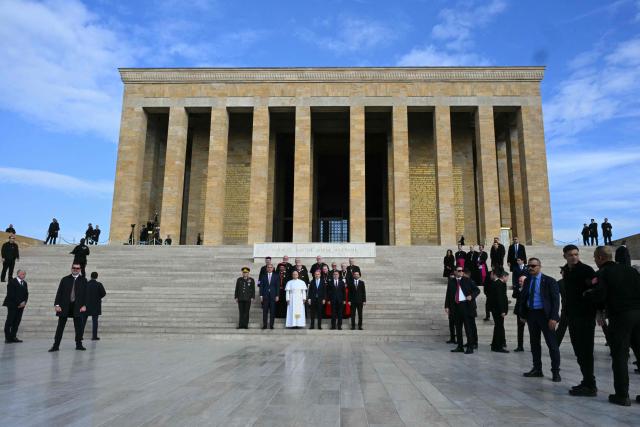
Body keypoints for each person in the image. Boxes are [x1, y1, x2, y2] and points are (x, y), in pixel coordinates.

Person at [586, 246, 640, 406]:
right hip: (639, 313)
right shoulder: (631, 270)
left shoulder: (603, 273)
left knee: (620, 355)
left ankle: (622, 395)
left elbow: (600, 294)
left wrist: (587, 295)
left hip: (621, 316)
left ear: (601, 258)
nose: (595, 261)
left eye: (595, 258)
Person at [560, 245, 598, 396]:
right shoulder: (567, 270)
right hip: (573, 317)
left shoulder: (586, 270)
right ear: (565, 256)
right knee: (579, 351)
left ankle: (591, 385)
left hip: (585, 317)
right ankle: (587, 380)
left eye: (576, 254)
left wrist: (587, 302)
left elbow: (595, 290)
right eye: (570, 255)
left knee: (586, 350)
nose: (574, 257)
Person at [519, 257, 561, 382]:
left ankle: (555, 372)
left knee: (552, 345)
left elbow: (555, 301)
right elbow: (523, 298)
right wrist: (523, 314)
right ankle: (537, 369)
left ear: (539, 266)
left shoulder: (549, 281)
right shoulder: (527, 281)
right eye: (529, 266)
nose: (531, 268)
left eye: (533, 266)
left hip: (545, 316)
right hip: (532, 315)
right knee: (534, 343)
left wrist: (554, 317)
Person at [49, 264, 88, 351]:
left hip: (77, 307)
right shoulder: (65, 279)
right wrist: (57, 305)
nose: (75, 269)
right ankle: (56, 345)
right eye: (74, 268)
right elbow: (59, 292)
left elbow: (86, 294)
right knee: (60, 327)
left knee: (78, 327)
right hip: (64, 306)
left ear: (80, 269)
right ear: (71, 269)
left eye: (77, 268)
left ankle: (79, 344)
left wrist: (85, 305)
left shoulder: (83, 280)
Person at [445, 266, 480, 354]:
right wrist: (447, 306)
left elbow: (477, 290)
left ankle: (470, 347)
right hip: (456, 306)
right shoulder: (451, 281)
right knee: (458, 327)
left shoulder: (467, 280)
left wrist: (471, 296)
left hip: (466, 306)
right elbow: (448, 295)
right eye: (459, 270)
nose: (461, 272)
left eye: (462, 271)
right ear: (455, 272)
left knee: (468, 327)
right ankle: (460, 346)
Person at [3, 269, 27, 343]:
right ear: (18, 274)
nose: (24, 275)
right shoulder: (12, 282)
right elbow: (11, 294)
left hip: (21, 306)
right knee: (10, 321)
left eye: (24, 274)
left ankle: (13, 336)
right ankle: (8, 338)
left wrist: (24, 302)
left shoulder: (24, 283)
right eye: (22, 274)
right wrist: (19, 303)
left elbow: (26, 294)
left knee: (17, 321)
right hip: (12, 305)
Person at [490, 269, 509, 353]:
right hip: (498, 310)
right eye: (507, 277)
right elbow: (500, 298)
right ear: (504, 276)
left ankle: (495, 345)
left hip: (495, 309)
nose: (507, 279)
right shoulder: (500, 284)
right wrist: (502, 310)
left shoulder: (497, 283)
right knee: (499, 327)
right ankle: (498, 346)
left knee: (498, 327)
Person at [84, 272, 106, 340]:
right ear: (97, 277)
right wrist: (98, 297)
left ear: (91, 276)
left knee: (83, 321)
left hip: (86, 305)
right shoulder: (99, 284)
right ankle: (94, 336)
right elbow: (103, 293)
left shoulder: (86, 284)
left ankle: (80, 336)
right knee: (95, 321)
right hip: (96, 305)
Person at [258, 264, 279, 329]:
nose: (269, 268)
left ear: (273, 268)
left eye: (271, 267)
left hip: (273, 296)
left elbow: (277, 287)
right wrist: (261, 295)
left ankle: (271, 325)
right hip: (265, 296)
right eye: (268, 267)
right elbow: (261, 286)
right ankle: (264, 325)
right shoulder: (263, 276)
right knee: (265, 311)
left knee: (272, 311)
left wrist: (277, 295)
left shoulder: (276, 276)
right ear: (266, 268)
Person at [512, 274, 528, 352]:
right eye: (519, 281)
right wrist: (518, 290)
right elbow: (514, 296)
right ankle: (520, 346)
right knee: (520, 329)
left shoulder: (529, 288)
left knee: (533, 330)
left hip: (529, 311)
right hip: (520, 311)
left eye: (521, 281)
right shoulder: (518, 288)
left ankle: (534, 345)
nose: (520, 282)